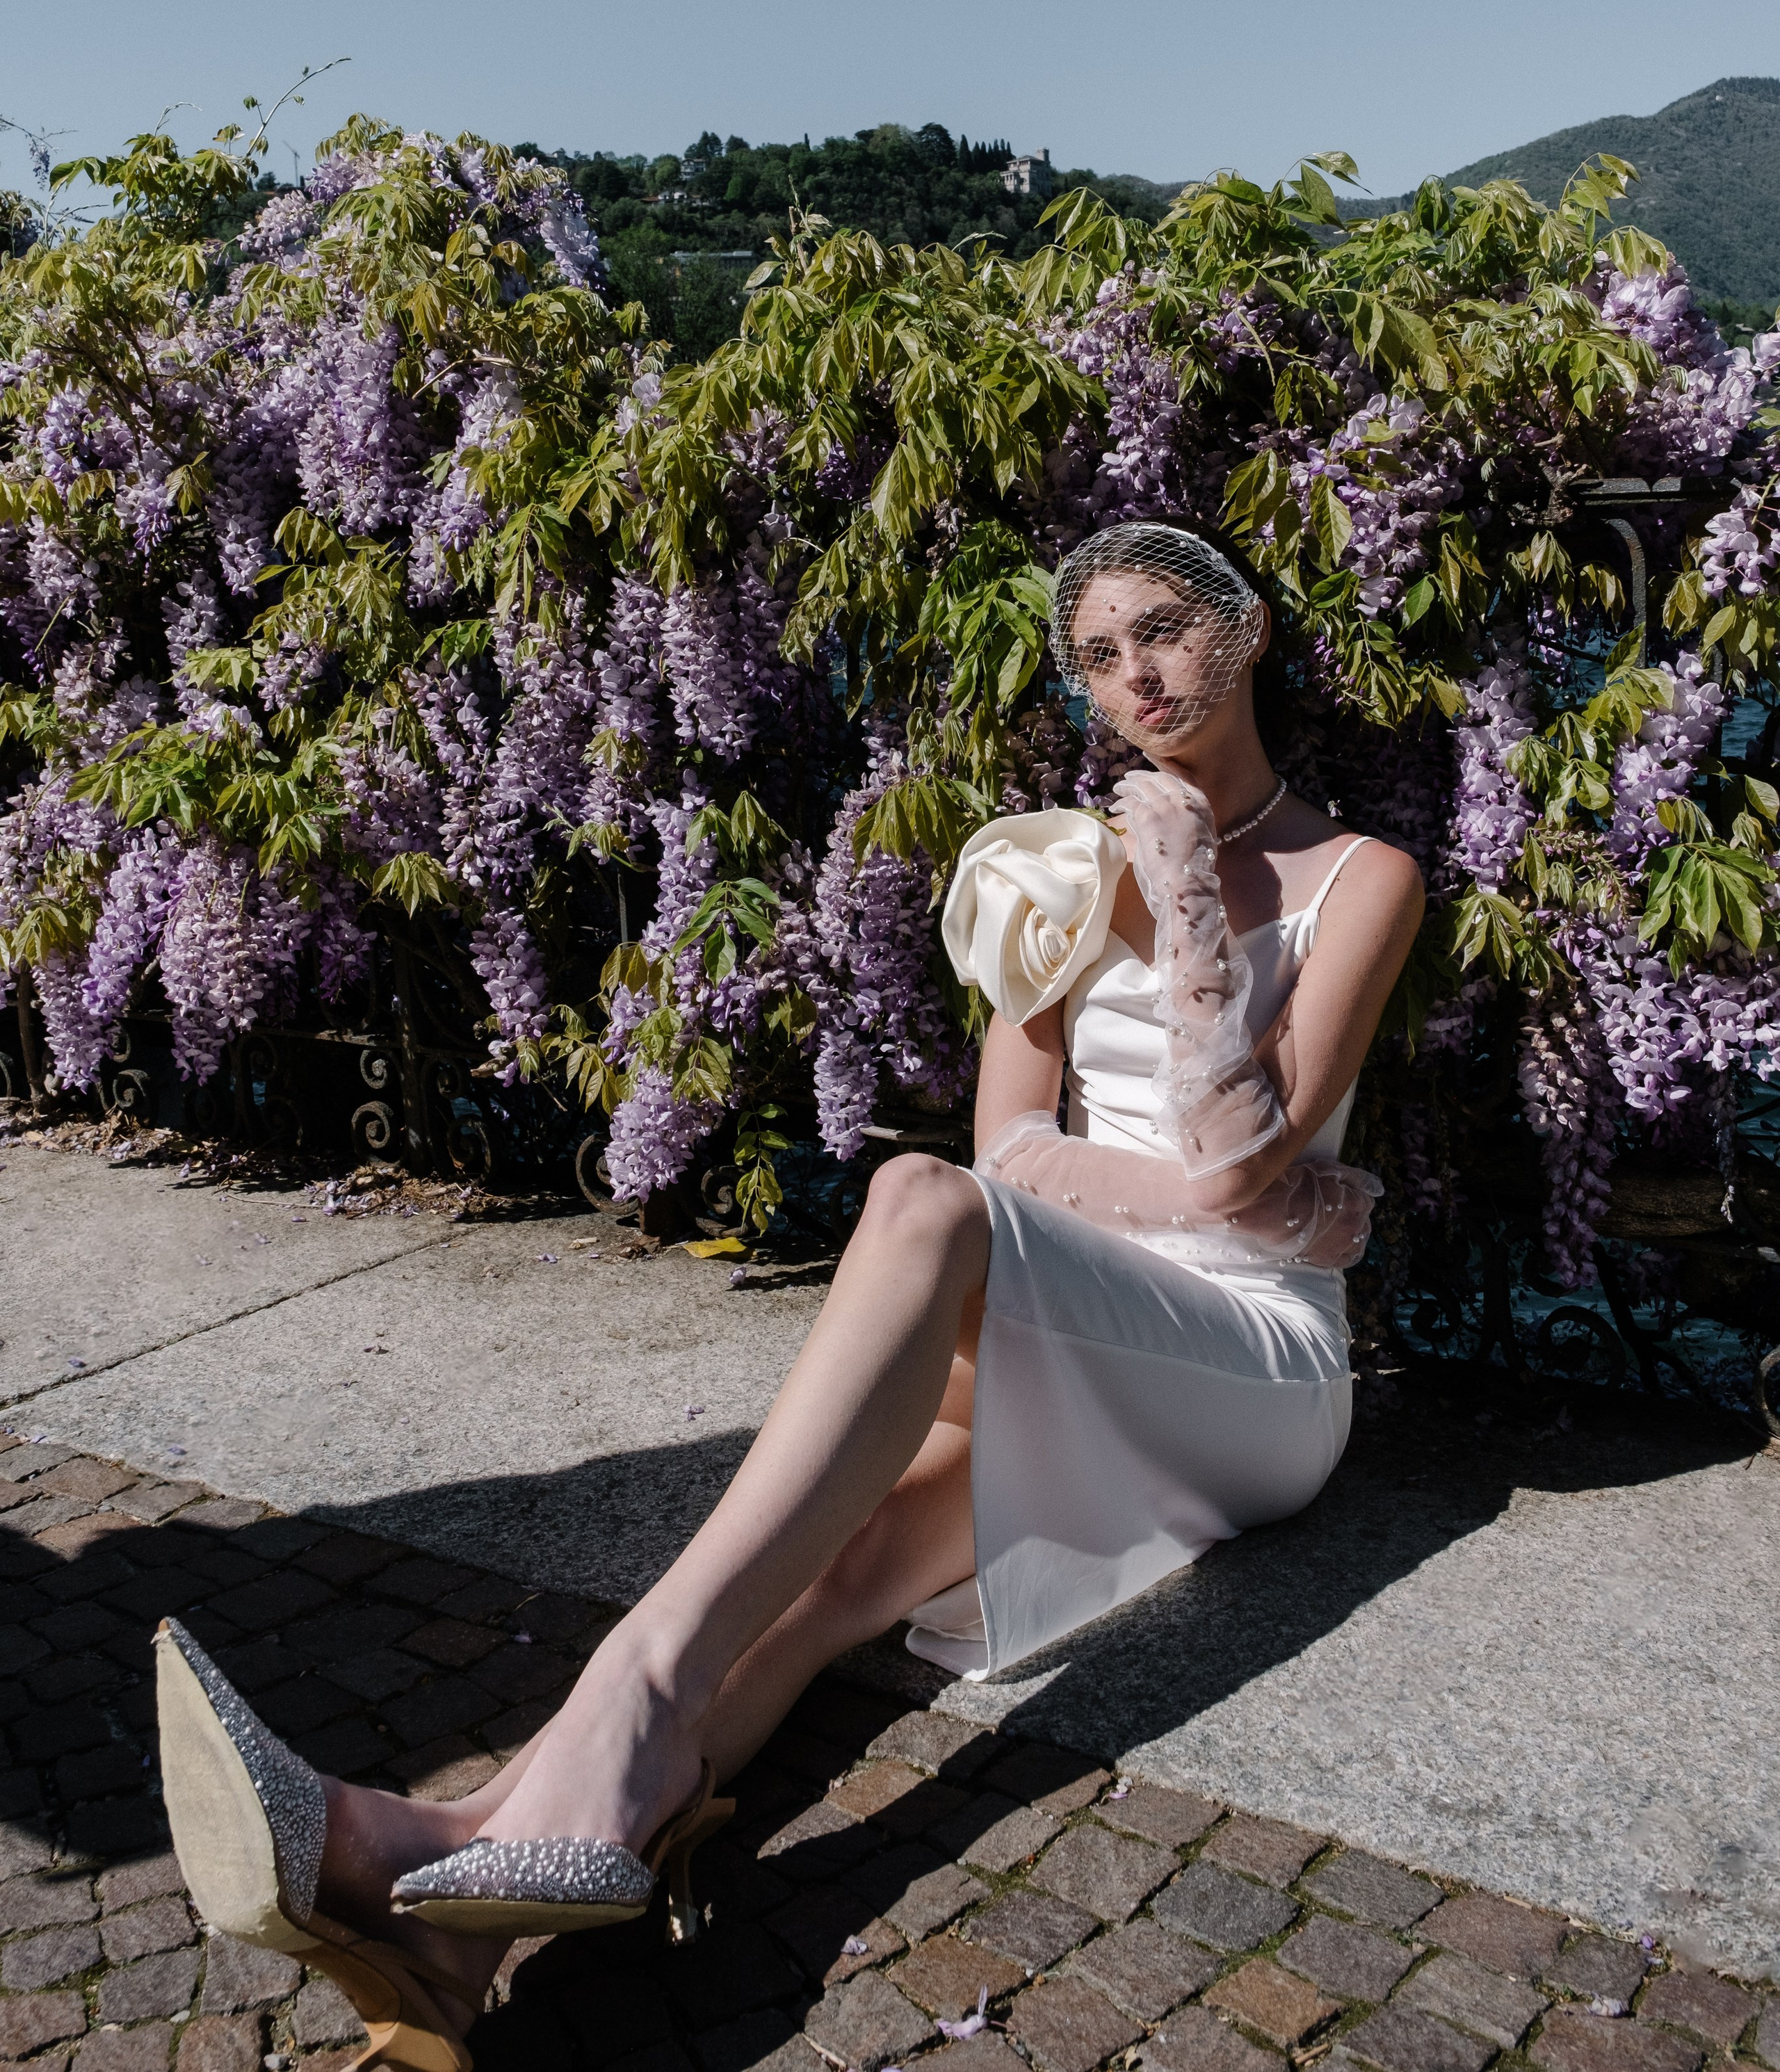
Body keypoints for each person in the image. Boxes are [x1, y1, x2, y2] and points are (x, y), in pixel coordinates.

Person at [154, 520, 1425, 2064]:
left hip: (1251, 1367)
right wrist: (1254, 1180)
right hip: (1075, 1308)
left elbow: (1231, 1165)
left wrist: (1184, 889)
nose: (1132, 675)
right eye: (1096, 653)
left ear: (1252, 628)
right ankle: (452, 1909)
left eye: (1162, 630)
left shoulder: (1359, 874)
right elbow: (1010, 1148)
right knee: (822, 1580)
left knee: (907, 1201)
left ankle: (599, 1725)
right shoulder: (1053, 873)